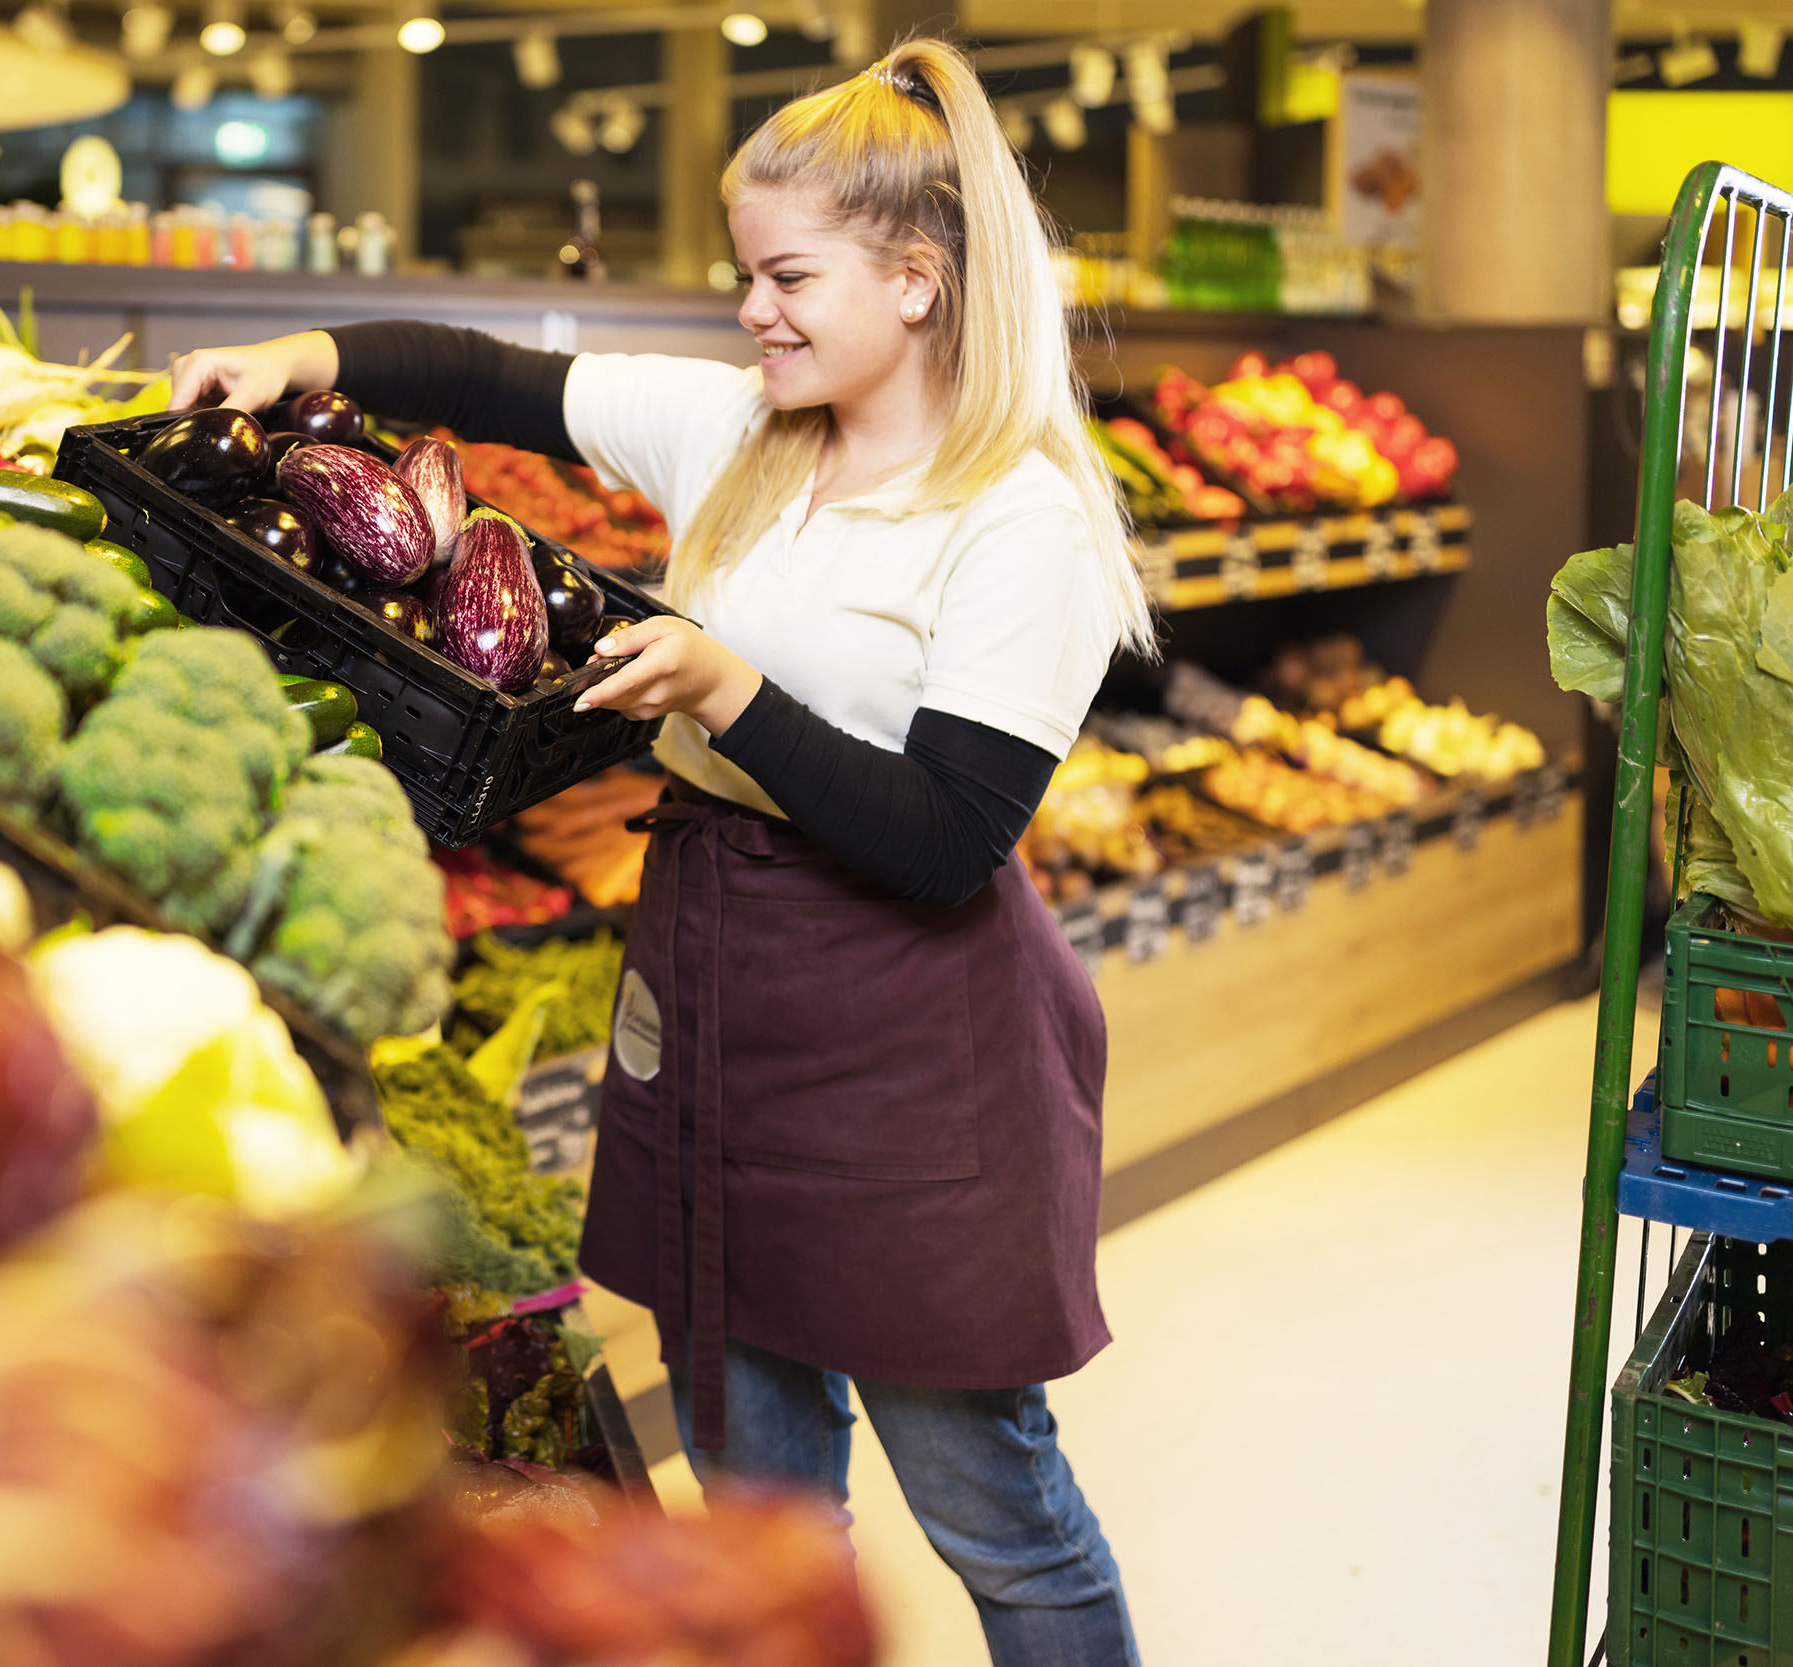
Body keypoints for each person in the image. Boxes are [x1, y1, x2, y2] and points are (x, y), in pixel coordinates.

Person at [166, 35, 1152, 1666]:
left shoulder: (1017, 520)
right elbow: (489, 379)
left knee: (991, 1501)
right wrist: (299, 349)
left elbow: (949, 841)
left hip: (911, 1048)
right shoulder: (744, 432)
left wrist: (728, 686)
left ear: (917, 280)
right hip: (708, 986)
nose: (752, 311)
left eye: (787, 275)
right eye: (742, 274)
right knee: (756, 1497)